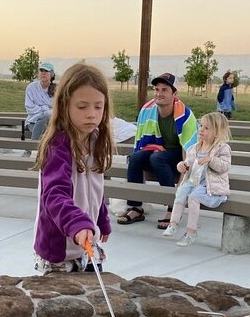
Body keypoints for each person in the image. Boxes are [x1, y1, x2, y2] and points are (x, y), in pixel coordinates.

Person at [32, 62, 113, 274]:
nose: (91, 114)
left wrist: (102, 219)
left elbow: (96, 190)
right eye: (82, 106)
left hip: (87, 243)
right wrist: (77, 223)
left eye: (98, 106)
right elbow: (54, 195)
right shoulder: (58, 146)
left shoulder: (95, 141)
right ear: (65, 105)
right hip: (61, 251)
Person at [116, 72, 198, 229]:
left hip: (177, 155)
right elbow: (141, 141)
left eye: (164, 90)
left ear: (175, 94)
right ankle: (135, 207)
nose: (159, 94)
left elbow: (189, 152)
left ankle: (173, 207)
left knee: (156, 158)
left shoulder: (186, 116)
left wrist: (183, 183)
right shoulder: (147, 111)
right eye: (157, 89)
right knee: (135, 158)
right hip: (158, 150)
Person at [162, 112, 232, 246]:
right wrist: (181, 166)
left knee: (194, 197)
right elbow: (188, 162)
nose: (201, 130)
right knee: (181, 192)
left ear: (216, 132)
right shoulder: (196, 147)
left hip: (210, 186)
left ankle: (191, 232)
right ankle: (173, 224)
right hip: (194, 182)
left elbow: (225, 166)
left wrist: (211, 160)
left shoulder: (222, 148)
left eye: (206, 128)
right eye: (201, 126)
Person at [24, 61, 56, 140]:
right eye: (41, 71)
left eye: (46, 71)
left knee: (49, 125)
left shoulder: (57, 89)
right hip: (33, 121)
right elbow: (29, 107)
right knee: (43, 124)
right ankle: (33, 145)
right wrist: (46, 110)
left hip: (51, 122)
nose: (43, 73)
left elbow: (58, 109)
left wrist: (44, 110)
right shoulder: (31, 87)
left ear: (51, 74)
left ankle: (30, 148)